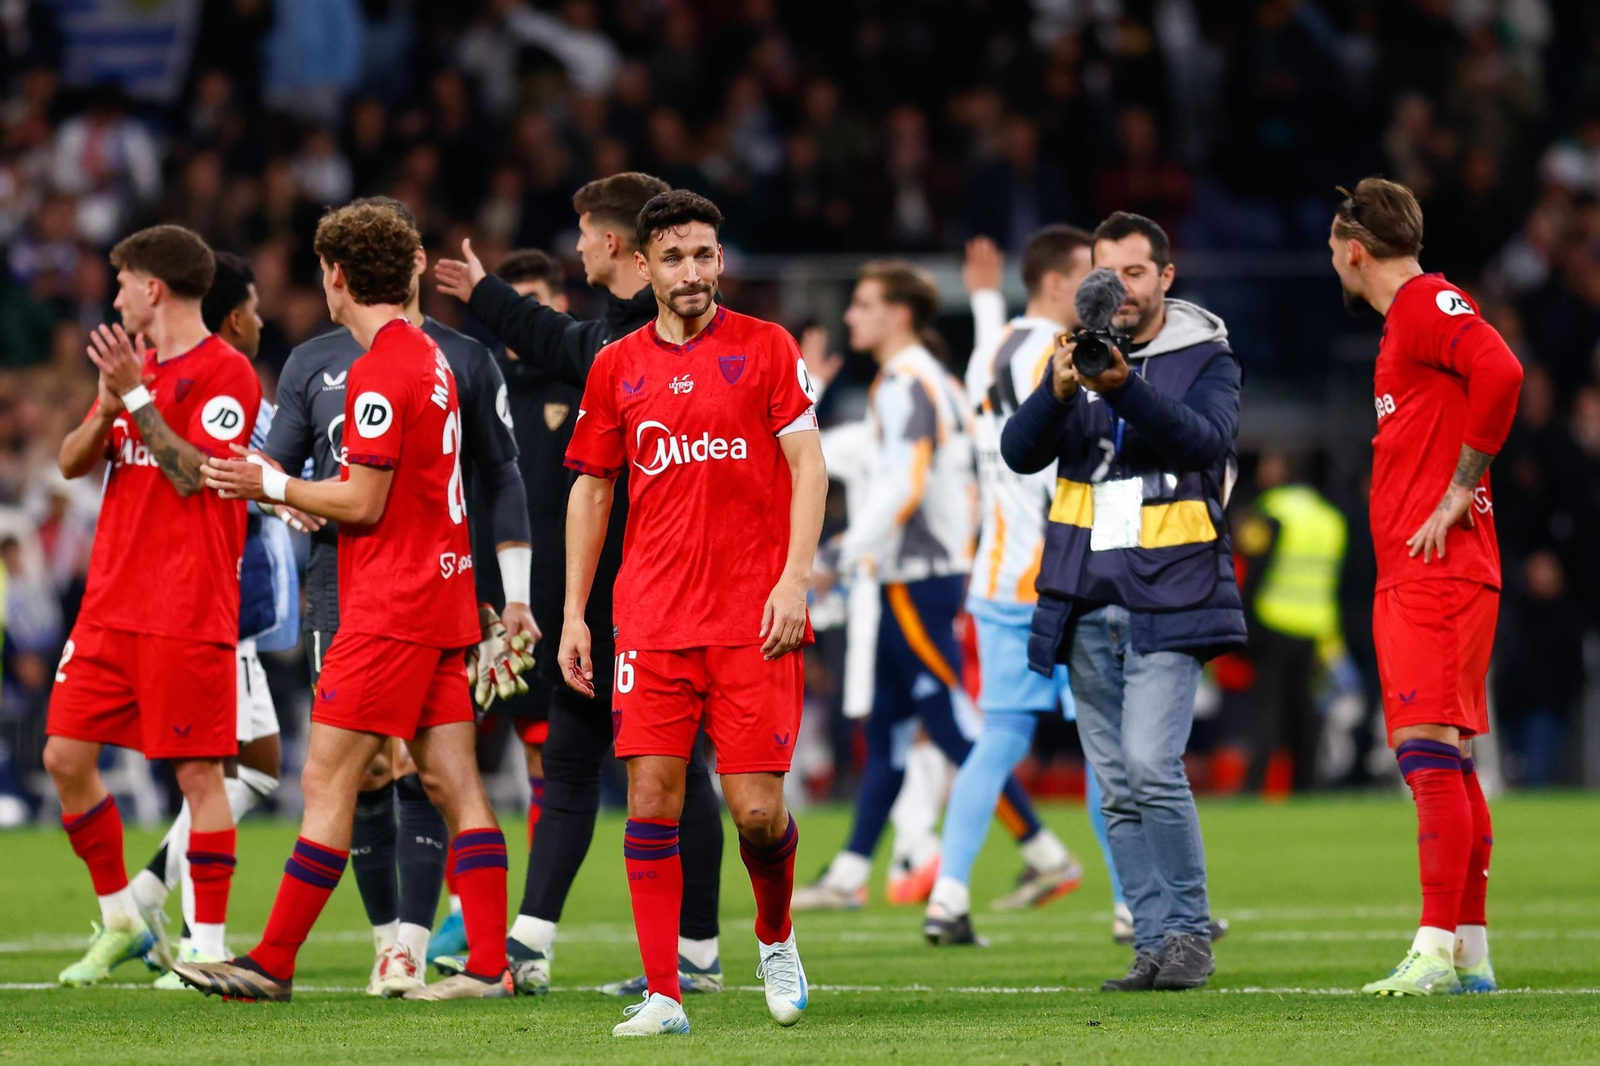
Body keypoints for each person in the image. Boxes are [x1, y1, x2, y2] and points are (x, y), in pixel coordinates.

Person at [176, 200, 514, 1003]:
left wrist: (274, 482)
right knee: (456, 784)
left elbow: (362, 503)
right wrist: (305, 491)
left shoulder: (378, 371)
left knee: (328, 784)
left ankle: (272, 962)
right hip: (442, 597)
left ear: (335, 279)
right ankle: (490, 967)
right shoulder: (432, 357)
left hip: (388, 606)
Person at [434, 173, 728, 997]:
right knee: (569, 766)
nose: (573, 250)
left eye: (583, 235)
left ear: (610, 245)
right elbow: (550, 334)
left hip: (660, 598)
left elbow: (558, 339)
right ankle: (529, 948)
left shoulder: (671, 342)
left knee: (675, 770)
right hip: (593, 605)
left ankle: (696, 952)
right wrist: (485, 291)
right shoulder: (611, 339)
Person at [558, 190, 826, 1036]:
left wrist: (793, 580)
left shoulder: (768, 347)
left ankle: (776, 935)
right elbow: (592, 488)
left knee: (756, 811)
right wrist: (574, 613)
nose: (692, 272)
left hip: (755, 617)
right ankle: (666, 994)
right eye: (674, 258)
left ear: (721, 260)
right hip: (651, 621)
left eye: (705, 255)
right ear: (642, 266)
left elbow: (810, 469)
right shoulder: (617, 366)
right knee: (651, 797)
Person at [1001, 211, 1244, 992]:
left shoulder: (1207, 356)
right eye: (1105, 276)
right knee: (1116, 785)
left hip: (1172, 593)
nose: (1119, 291)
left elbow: (1205, 443)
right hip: (1085, 594)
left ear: (1166, 277)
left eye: (1135, 274)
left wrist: (1123, 388)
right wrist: (1058, 388)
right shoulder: (1069, 353)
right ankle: (1152, 943)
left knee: (1150, 763)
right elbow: (1019, 450)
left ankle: (1189, 933)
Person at [793, 261, 1072, 913]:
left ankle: (1044, 851)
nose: (851, 317)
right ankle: (852, 869)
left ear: (900, 314)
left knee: (949, 721)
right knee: (889, 726)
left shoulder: (907, 382)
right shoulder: (926, 379)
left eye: (863, 304)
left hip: (921, 577)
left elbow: (903, 482)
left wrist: (839, 549)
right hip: (923, 574)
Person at [47, 225, 260, 986]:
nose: (113, 296)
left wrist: (133, 394)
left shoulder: (227, 372)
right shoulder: (137, 371)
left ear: (154, 290)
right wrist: (108, 406)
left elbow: (194, 474)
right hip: (110, 603)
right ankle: (123, 919)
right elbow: (70, 465)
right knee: (64, 757)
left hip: (186, 604)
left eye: (122, 282)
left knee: (199, 774)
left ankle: (206, 945)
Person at [1326, 176, 1523, 995]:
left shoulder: (1421, 304)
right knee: (1453, 760)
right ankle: (1470, 952)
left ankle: (1435, 946)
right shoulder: (1409, 320)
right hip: (1437, 571)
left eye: (1333, 251)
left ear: (1355, 251)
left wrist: (1456, 487)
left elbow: (1502, 370)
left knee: (1425, 755)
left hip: (1434, 570)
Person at [924, 228, 1108, 947]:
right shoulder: (1058, 354)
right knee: (1108, 742)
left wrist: (981, 296)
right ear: (1061, 284)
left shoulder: (989, 351)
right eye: (1091, 277)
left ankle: (946, 896)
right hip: (1062, 574)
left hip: (997, 573)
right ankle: (1135, 906)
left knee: (998, 738)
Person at [126, 251, 300, 986]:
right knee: (235, 772)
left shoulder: (234, 390)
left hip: (234, 615)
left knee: (244, 770)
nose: (262, 321)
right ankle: (187, 933)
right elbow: (210, 479)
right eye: (255, 308)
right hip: (217, 608)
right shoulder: (226, 387)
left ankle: (149, 901)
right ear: (232, 316)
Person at [1233, 450, 1348, 792]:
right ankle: (1306, 785)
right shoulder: (1330, 519)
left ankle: (1254, 786)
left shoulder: (1271, 511)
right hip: (1316, 626)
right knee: (1305, 711)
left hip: (1275, 620)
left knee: (1269, 709)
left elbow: (1252, 567)